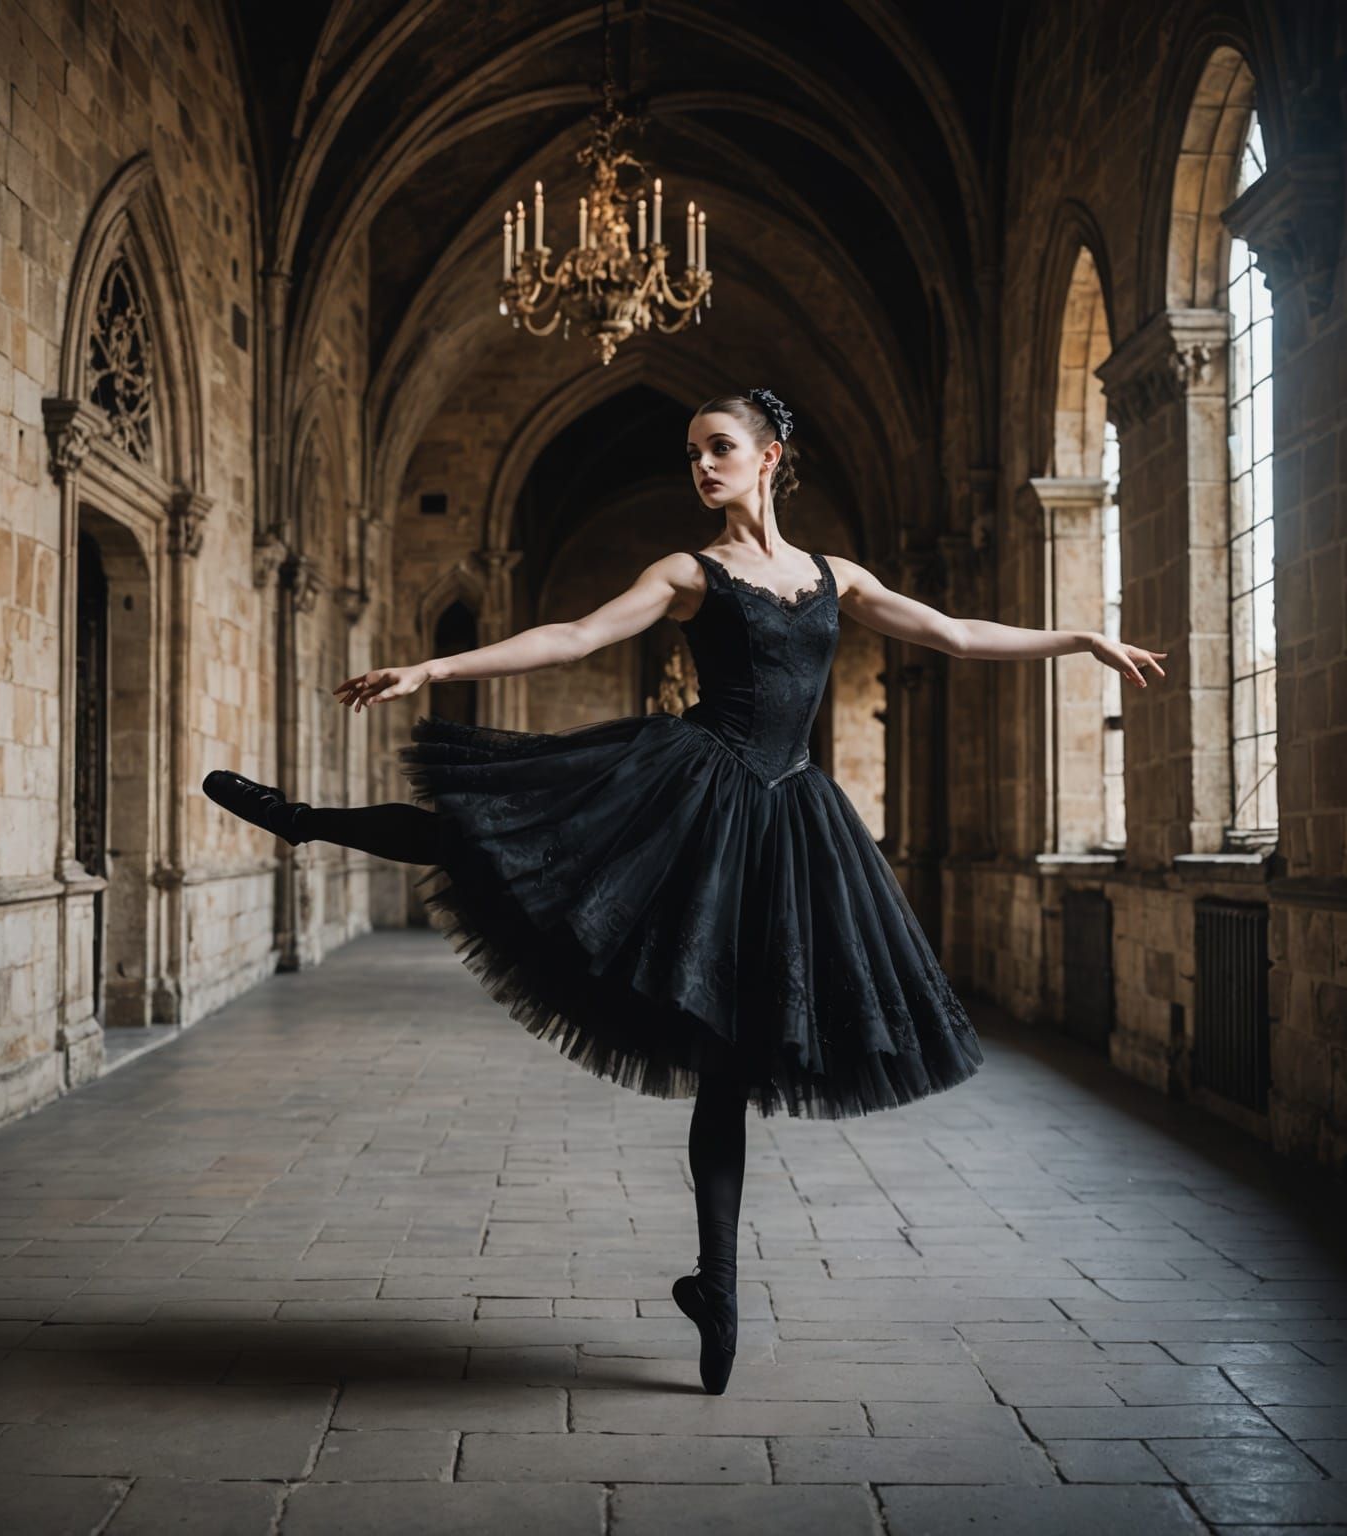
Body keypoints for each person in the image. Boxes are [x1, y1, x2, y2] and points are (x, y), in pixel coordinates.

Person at [204, 387, 1167, 1395]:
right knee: (494, 839)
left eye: (718, 449)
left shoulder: (837, 577)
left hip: (792, 821)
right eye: (693, 455)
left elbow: (957, 635)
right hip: (694, 789)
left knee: (728, 1064)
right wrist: (433, 666)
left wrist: (1078, 639)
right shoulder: (688, 571)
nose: (701, 468)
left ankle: (717, 1287)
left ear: (770, 455)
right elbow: (574, 638)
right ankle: (306, 822)